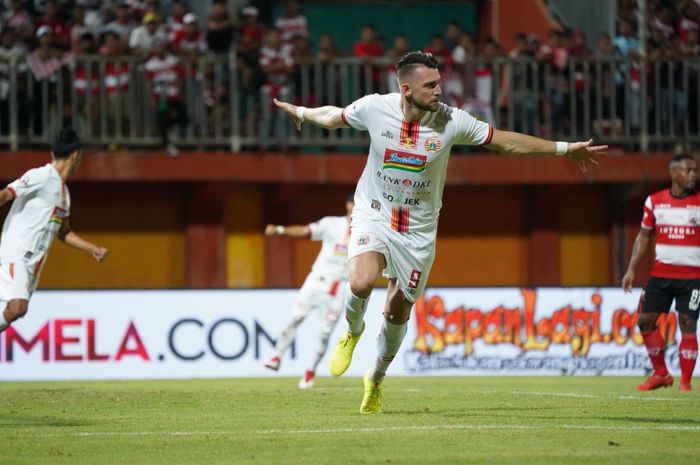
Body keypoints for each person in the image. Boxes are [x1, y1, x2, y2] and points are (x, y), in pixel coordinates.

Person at [273, 51, 606, 413]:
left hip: (418, 232)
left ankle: (376, 379)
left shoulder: (452, 121)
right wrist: (301, 113)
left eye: (439, 83)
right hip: (375, 213)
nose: (438, 91)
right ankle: (352, 331)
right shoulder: (374, 108)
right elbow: (334, 117)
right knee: (360, 282)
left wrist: (563, 149)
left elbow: (506, 141)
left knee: (397, 313)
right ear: (406, 89)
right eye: (430, 85)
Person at [0, 128, 109, 334]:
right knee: (17, 307)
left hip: (34, 264)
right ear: (76, 155)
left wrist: (91, 248)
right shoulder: (41, 176)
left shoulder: (64, 194)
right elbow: (6, 194)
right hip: (17, 254)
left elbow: (63, 231)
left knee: (13, 311)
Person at [622, 153, 699, 392]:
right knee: (645, 321)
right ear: (674, 173)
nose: (693, 175)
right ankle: (661, 374)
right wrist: (632, 269)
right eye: (688, 170)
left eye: (695, 171)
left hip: (692, 277)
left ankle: (685, 382)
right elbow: (643, 236)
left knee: (687, 322)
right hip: (661, 276)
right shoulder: (655, 201)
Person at [264, 196, 354, 389]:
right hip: (317, 281)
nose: (356, 209)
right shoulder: (331, 224)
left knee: (324, 333)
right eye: (354, 204)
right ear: (348, 205)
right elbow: (306, 230)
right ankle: (276, 356)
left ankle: (310, 371)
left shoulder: (367, 233)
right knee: (295, 317)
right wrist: (280, 229)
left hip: (339, 288)